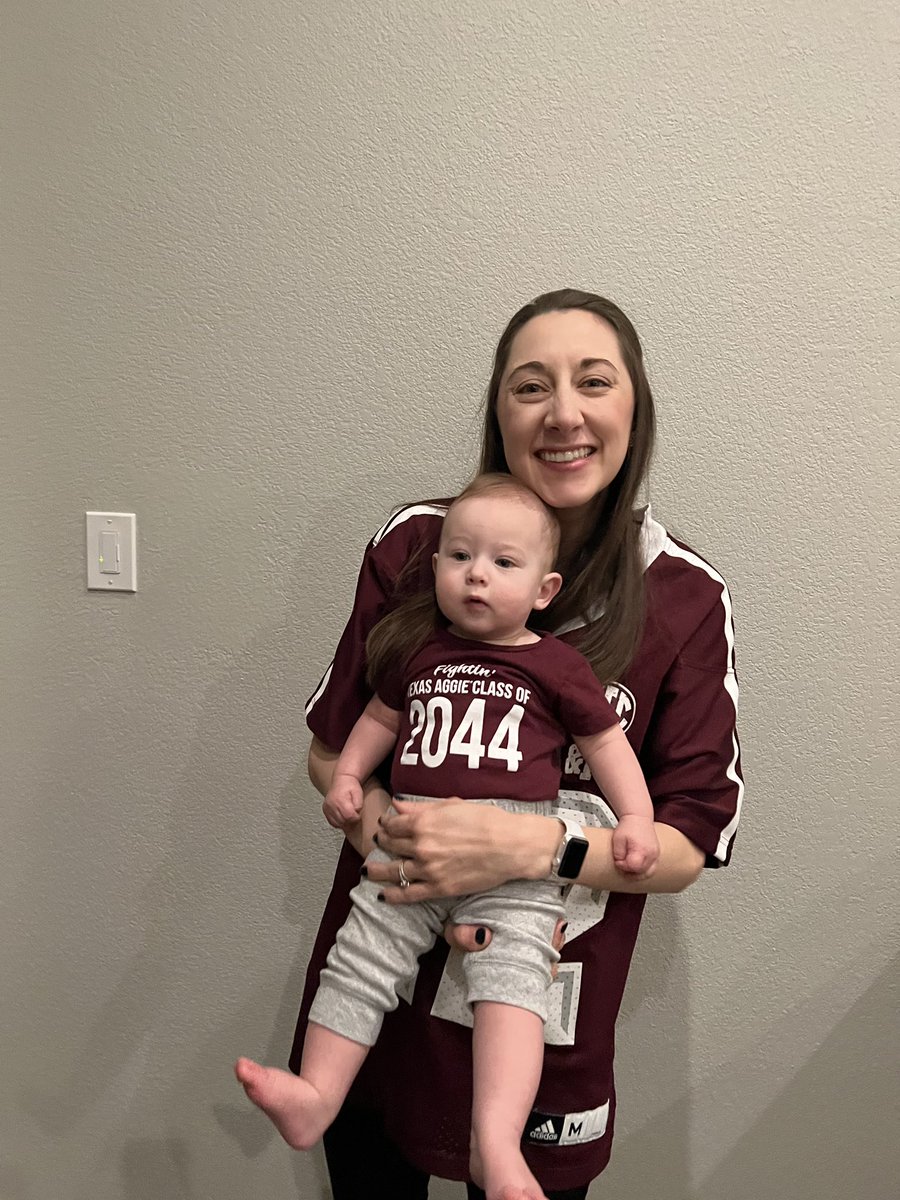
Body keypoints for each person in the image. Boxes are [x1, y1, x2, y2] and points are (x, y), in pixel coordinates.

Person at [272, 288, 740, 1199]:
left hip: (540, 1001)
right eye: (531, 386)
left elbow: (685, 845)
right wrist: (412, 857)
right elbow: (335, 751)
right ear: (499, 410)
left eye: (593, 381)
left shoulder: (684, 597)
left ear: (633, 406)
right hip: (384, 987)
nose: (563, 412)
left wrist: (526, 848)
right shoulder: (419, 546)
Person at [235, 473, 660, 1200]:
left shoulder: (556, 666)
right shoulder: (421, 654)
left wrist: (639, 819)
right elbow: (374, 725)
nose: (476, 575)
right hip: (406, 842)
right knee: (359, 961)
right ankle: (316, 1096)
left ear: (544, 589)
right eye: (460, 557)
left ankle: (495, 1143)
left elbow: (609, 743)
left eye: (503, 563)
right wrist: (349, 782)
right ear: (434, 571)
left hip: (516, 857)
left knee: (512, 990)